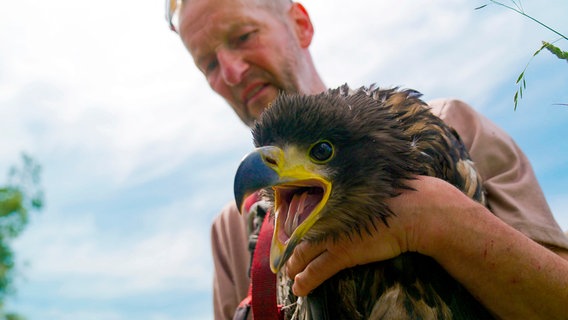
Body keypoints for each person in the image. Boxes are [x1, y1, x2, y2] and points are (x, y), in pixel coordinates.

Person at [169, 0, 568, 319]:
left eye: (242, 36)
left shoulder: (453, 125)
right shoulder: (233, 227)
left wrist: (444, 223)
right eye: (208, 64)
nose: (233, 72)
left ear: (301, 24)